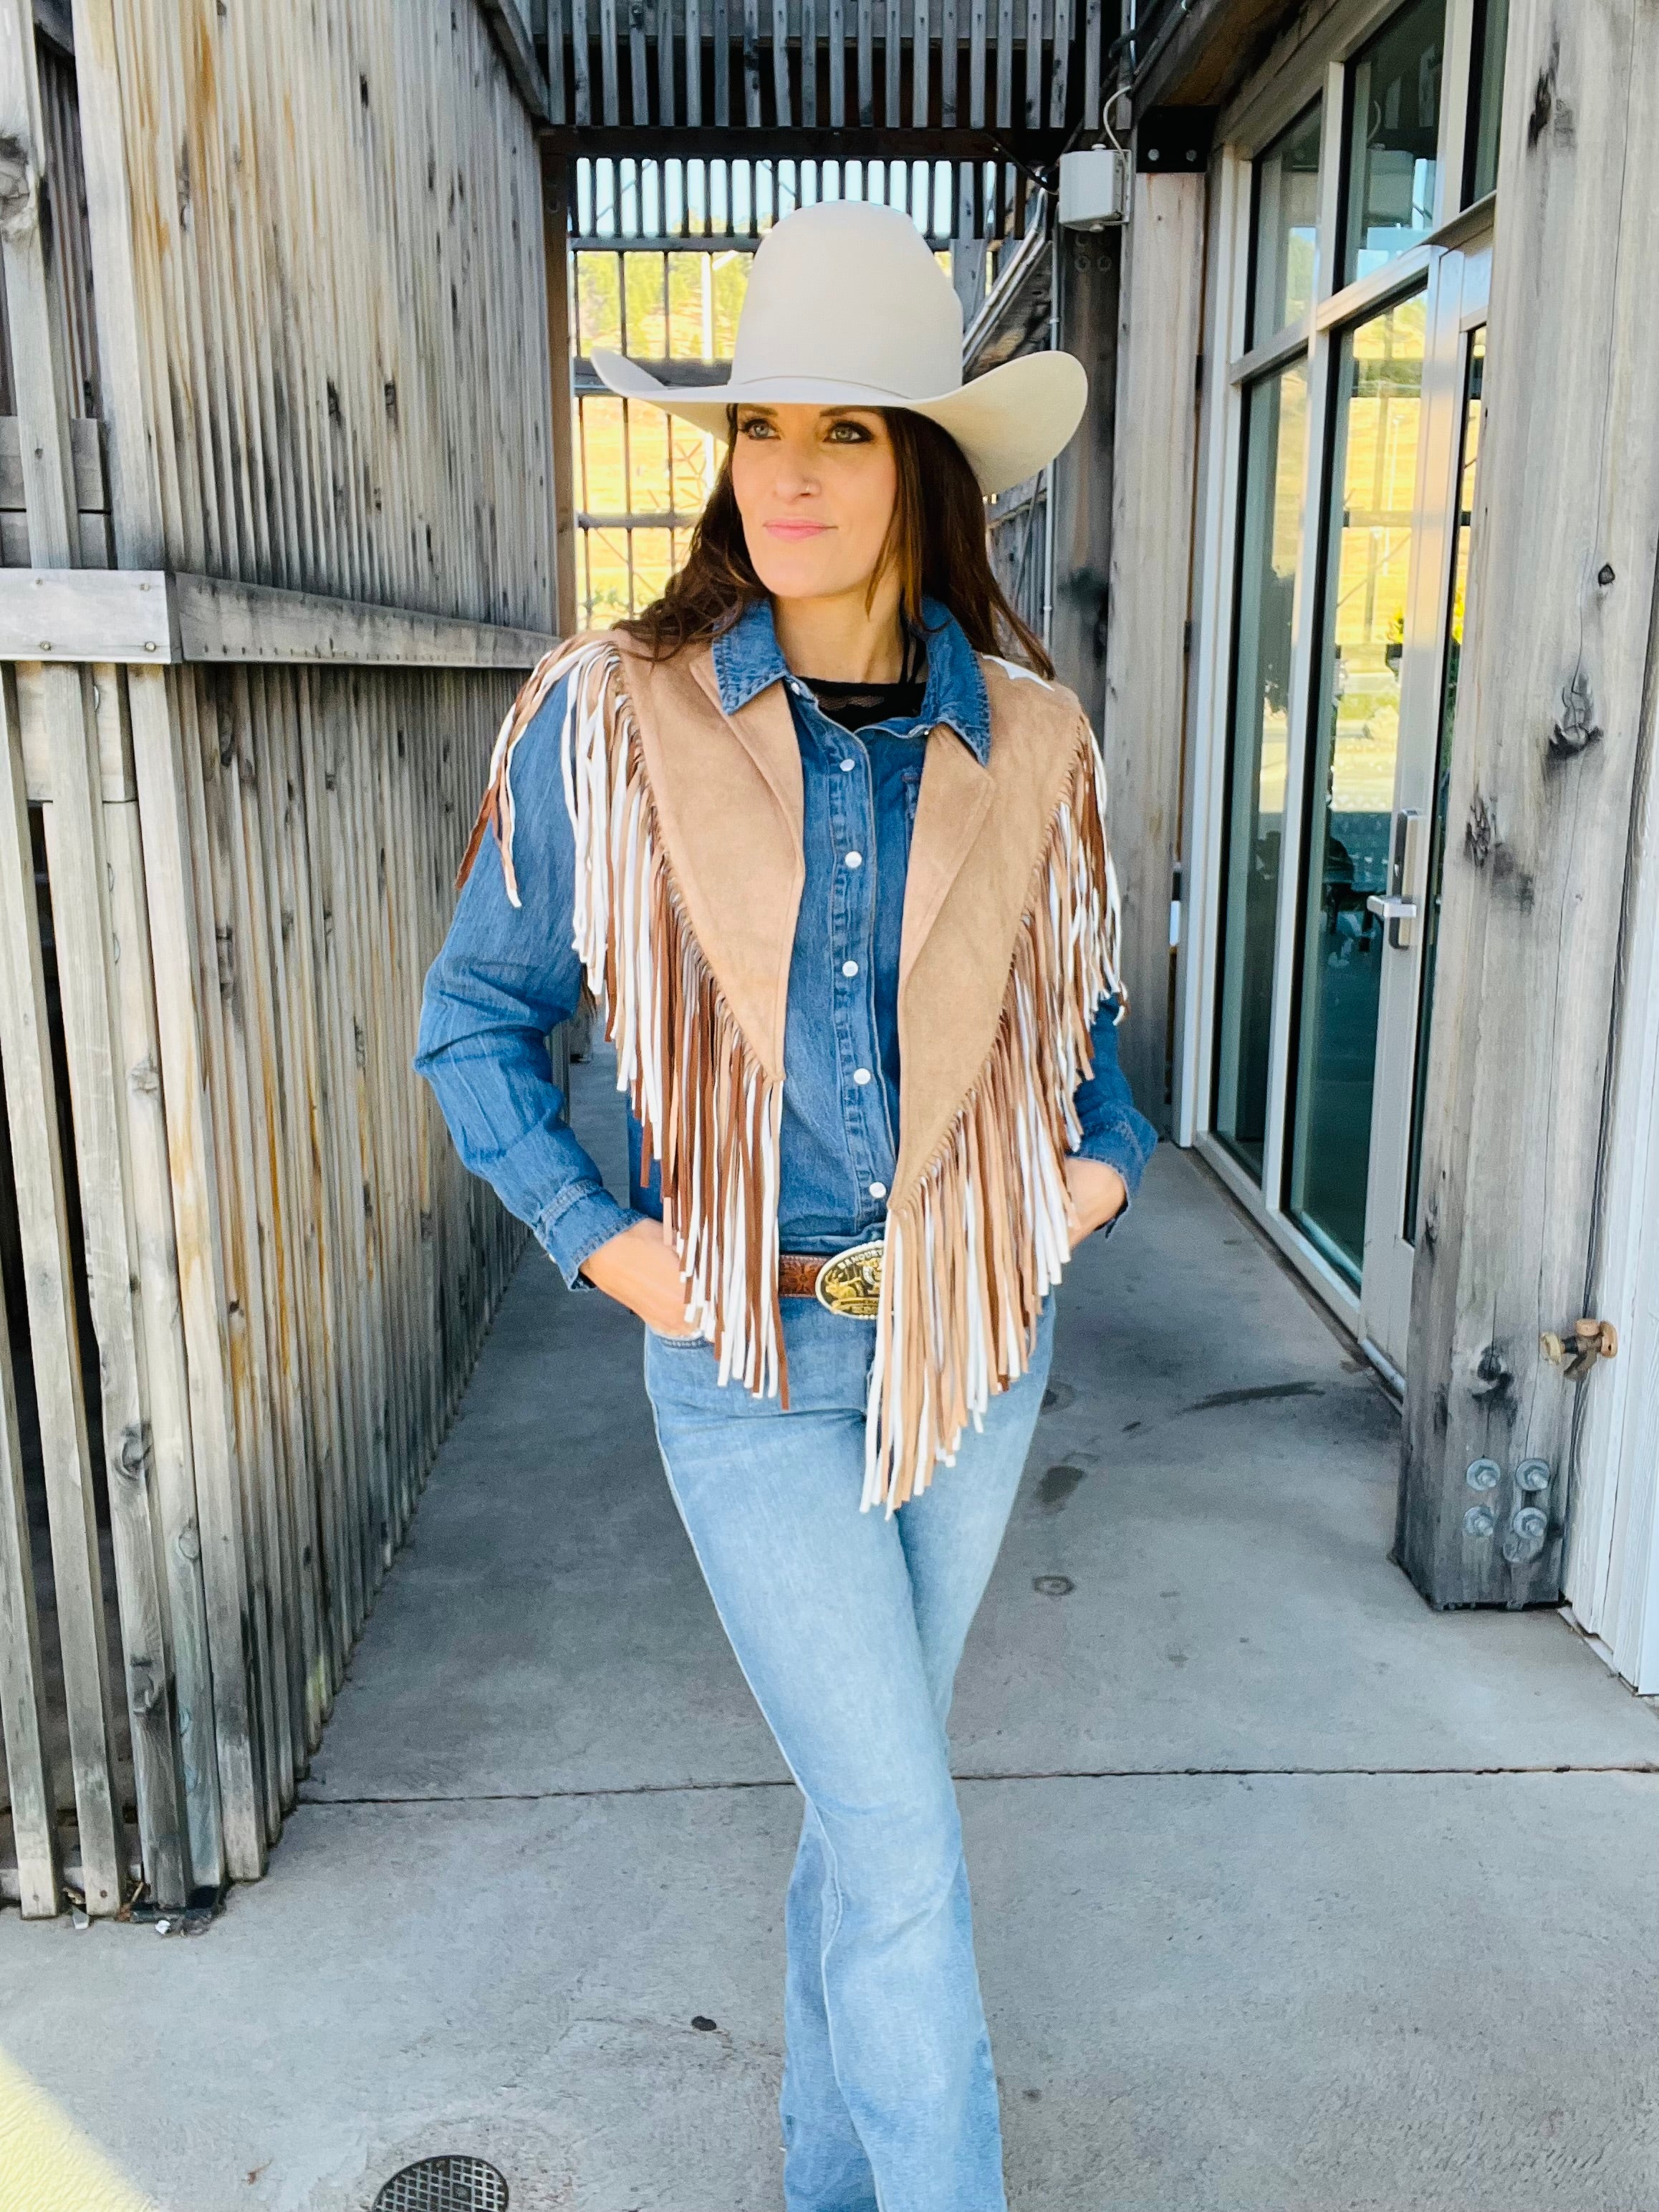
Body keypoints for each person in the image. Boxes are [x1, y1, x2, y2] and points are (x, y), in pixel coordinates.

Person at [415, 198, 1156, 2212]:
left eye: (846, 430)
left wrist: (1076, 1195)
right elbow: (474, 1022)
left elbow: (1094, 1073)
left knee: (865, 1817)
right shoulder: (612, 719)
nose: (791, 473)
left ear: (924, 470)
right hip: (749, 1365)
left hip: (972, 1357)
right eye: (761, 426)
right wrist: (612, 1246)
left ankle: (828, 2180)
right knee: (902, 1841)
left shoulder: (1036, 744)